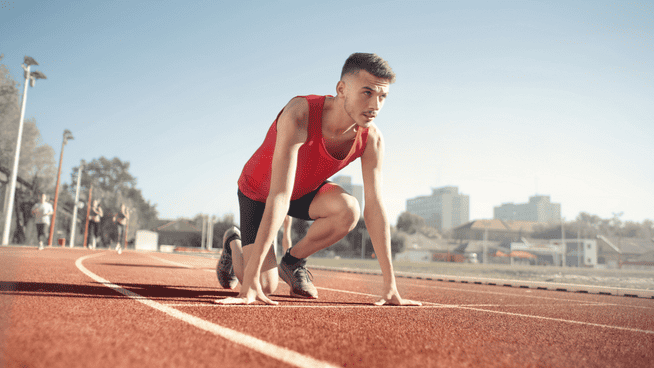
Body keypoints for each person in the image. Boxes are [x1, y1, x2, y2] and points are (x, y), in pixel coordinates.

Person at [216, 53, 421, 306]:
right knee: (265, 285)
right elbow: (279, 194)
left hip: (303, 192)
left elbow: (375, 207)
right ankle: (233, 243)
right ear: (341, 89)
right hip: (259, 192)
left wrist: (390, 286)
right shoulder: (300, 113)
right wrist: (249, 283)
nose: (376, 105)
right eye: (367, 93)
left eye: (383, 96)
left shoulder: (372, 139)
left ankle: (292, 262)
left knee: (349, 209)